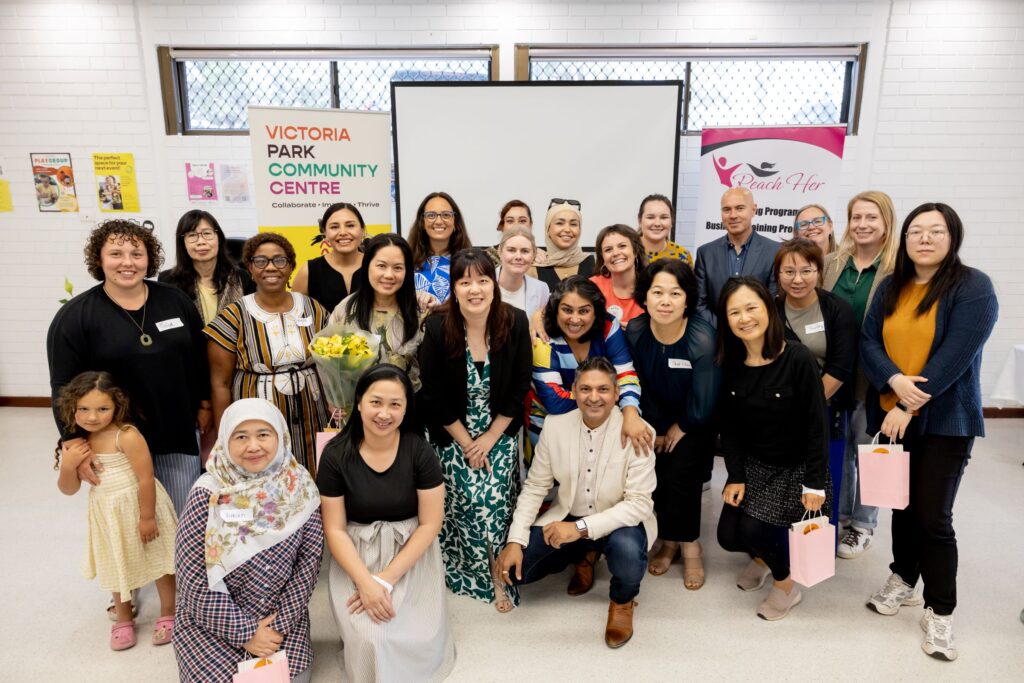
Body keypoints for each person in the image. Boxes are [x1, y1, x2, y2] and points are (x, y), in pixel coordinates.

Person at [860, 203, 997, 661]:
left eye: (935, 231)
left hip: (944, 422)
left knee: (933, 517)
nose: (924, 238)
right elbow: (869, 341)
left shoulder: (973, 287)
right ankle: (903, 577)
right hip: (892, 410)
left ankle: (941, 612)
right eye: (916, 231)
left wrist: (906, 402)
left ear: (952, 237)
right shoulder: (892, 284)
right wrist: (893, 381)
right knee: (902, 505)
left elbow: (956, 356)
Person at [47, 219, 210, 515]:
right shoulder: (75, 317)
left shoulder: (175, 300)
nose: (127, 263)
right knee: (134, 521)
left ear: (150, 259)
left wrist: (206, 405)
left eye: (137, 254)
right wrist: (73, 442)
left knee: (181, 516)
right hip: (115, 441)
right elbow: (62, 386)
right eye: (116, 254)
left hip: (177, 432)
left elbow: (199, 360)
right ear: (99, 258)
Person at [498, 357, 657, 648]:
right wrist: (515, 541)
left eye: (603, 390)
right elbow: (535, 487)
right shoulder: (555, 426)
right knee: (513, 573)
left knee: (628, 553)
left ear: (617, 393)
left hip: (621, 522)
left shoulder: (638, 430)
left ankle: (622, 600)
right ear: (573, 391)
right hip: (569, 515)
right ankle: (585, 555)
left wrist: (580, 529)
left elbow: (638, 505)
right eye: (585, 389)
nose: (594, 398)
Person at [317, 365, 454, 681]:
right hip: (357, 554)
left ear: (407, 408)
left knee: (411, 636)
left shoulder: (419, 451)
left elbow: (430, 524)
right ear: (360, 402)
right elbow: (334, 528)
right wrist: (366, 582)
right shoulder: (336, 455)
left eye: (396, 404)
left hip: (409, 553)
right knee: (372, 639)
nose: (384, 413)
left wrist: (386, 580)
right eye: (376, 402)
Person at [173, 398, 323, 683]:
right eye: (241, 437)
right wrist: (245, 633)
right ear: (225, 441)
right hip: (213, 623)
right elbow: (192, 578)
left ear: (280, 437)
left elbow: (309, 564)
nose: (253, 446)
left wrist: (278, 626)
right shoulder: (207, 494)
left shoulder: (300, 486)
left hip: (281, 621)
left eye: (263, 435)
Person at [417, 248, 532, 613]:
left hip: (499, 431)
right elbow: (433, 395)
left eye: (482, 280)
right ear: (454, 287)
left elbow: (520, 387)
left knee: (493, 501)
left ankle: (499, 574)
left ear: (494, 284)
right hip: (453, 433)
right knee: (463, 498)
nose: (474, 289)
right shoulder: (436, 326)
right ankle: (463, 570)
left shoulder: (515, 321)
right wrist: (468, 443)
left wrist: (490, 439)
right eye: (464, 282)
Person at [715, 277, 829, 621]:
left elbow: (817, 425)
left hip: (797, 467)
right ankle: (764, 558)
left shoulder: (797, 358)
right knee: (728, 536)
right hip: (754, 465)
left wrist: (814, 483)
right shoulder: (731, 363)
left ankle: (785, 585)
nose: (744, 318)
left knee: (754, 530)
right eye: (734, 312)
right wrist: (735, 476)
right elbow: (730, 429)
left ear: (768, 309)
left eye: (752, 308)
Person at [55, 372, 177, 651]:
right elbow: (68, 489)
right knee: (115, 560)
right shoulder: (78, 442)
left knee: (158, 560)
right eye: (83, 409)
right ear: (71, 408)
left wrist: (147, 517)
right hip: (108, 514)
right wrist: (68, 464)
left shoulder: (127, 435)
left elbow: (146, 477)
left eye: (102, 409)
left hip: (141, 506)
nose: (92, 416)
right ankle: (123, 619)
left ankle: (168, 613)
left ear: (117, 407)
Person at [625, 260, 719, 590]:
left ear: (687, 299)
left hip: (696, 419)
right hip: (653, 418)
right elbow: (635, 382)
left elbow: (706, 395)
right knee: (657, 475)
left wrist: (683, 425)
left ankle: (691, 545)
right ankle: (668, 540)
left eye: (675, 293)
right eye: (658, 292)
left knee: (681, 473)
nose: (666, 301)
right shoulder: (635, 331)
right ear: (645, 296)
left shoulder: (701, 336)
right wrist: (652, 428)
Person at [205, 233, 330, 477]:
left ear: (291, 266)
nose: (271, 267)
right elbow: (220, 383)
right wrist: (224, 438)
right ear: (250, 268)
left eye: (279, 260)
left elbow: (332, 362)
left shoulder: (313, 308)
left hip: (313, 415)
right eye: (260, 261)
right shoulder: (234, 315)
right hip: (258, 421)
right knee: (266, 484)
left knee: (318, 477)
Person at [823, 190, 901, 559]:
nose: (863, 224)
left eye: (872, 218)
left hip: (875, 376)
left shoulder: (896, 270)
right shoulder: (832, 263)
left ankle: (863, 524)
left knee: (868, 448)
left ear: (886, 223)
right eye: (857, 217)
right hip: (834, 372)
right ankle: (839, 516)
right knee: (841, 451)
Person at [529, 276, 650, 456]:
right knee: (550, 480)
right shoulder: (543, 336)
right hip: (547, 425)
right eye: (567, 310)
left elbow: (625, 375)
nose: (575, 319)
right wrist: (605, 398)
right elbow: (554, 401)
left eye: (584, 311)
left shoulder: (608, 326)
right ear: (555, 311)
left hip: (599, 423)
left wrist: (631, 412)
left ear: (596, 312)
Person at [329, 233, 426, 392]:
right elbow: (331, 365)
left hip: (410, 408)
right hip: (357, 406)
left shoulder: (420, 312)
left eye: (398, 268)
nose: (389, 275)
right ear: (367, 265)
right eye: (381, 266)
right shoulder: (346, 310)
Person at [694, 187, 780, 323]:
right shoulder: (705, 253)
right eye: (727, 209)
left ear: (753, 210)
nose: (733, 215)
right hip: (717, 338)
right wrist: (724, 330)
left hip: (759, 336)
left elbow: (773, 301)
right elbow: (699, 303)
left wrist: (749, 326)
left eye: (740, 208)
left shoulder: (775, 251)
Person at [158, 210, 253, 324]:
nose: (201, 241)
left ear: (219, 238)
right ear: (183, 243)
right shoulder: (168, 281)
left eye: (207, 233)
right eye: (192, 235)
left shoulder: (243, 278)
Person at [292, 202, 366, 313]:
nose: (343, 232)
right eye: (334, 227)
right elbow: (295, 316)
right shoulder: (309, 270)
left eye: (350, 225)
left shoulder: (376, 266)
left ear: (363, 231)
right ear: (325, 234)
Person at [407, 191, 472, 303]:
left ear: (455, 222)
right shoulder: (406, 262)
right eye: (431, 215)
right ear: (422, 222)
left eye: (446, 215)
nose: (438, 221)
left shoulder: (471, 263)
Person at [531, 199, 595, 290]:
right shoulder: (534, 267)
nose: (567, 229)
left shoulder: (593, 263)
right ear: (548, 229)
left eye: (573, 224)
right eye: (560, 223)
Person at [591, 224, 647, 327]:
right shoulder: (591, 287)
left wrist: (636, 331)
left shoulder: (652, 286)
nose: (615, 253)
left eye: (622, 246)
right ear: (602, 257)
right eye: (608, 250)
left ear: (635, 251)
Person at [496, 226, 550, 320]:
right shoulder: (483, 282)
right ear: (500, 252)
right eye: (511, 250)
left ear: (533, 255)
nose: (518, 256)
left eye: (525, 251)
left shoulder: (541, 289)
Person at [637, 194, 693, 264]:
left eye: (664, 217)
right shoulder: (629, 252)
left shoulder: (683, 255)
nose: (657, 223)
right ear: (639, 220)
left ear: (671, 221)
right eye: (650, 217)